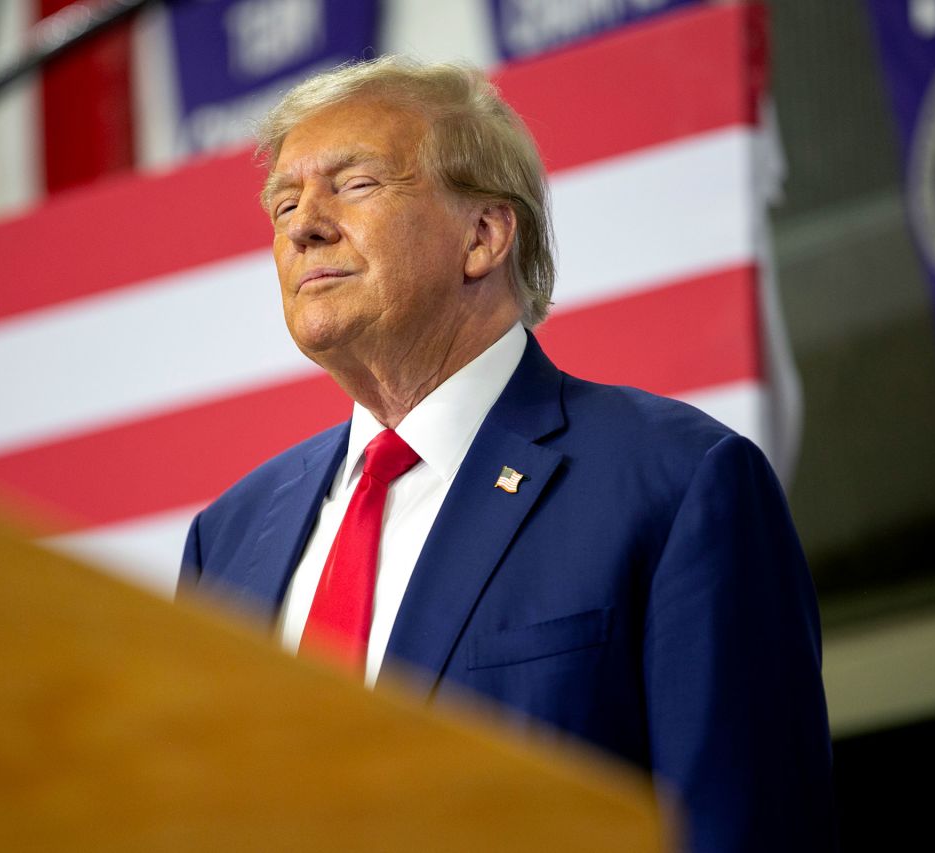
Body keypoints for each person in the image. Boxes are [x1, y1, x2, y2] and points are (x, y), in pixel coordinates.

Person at [179, 57, 835, 852]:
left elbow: (742, 829)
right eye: (284, 202)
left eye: (353, 186)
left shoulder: (678, 484)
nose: (301, 225)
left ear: (484, 235)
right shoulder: (229, 539)